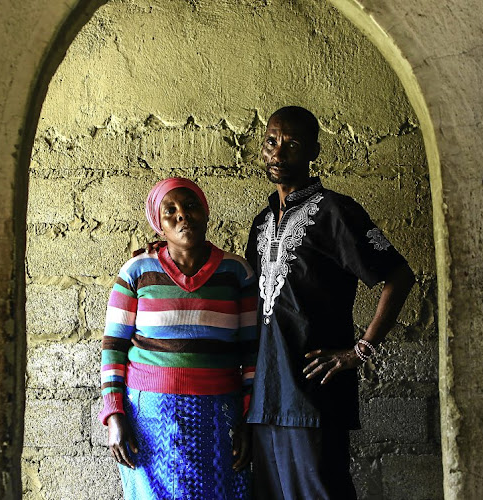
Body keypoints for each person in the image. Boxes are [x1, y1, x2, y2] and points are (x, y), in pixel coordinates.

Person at [244, 106, 416, 499]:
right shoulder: (261, 223)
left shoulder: (336, 212)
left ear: (313, 153)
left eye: (292, 144)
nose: (278, 153)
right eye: (272, 142)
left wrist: (360, 351)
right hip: (266, 399)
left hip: (313, 396)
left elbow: (399, 276)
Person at [98, 177, 258, 500]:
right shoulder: (136, 272)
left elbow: (253, 352)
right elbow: (113, 348)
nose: (182, 215)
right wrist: (114, 414)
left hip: (219, 415)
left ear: (206, 213)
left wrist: (248, 418)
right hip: (149, 420)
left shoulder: (237, 273)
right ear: (159, 225)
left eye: (191, 206)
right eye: (170, 210)